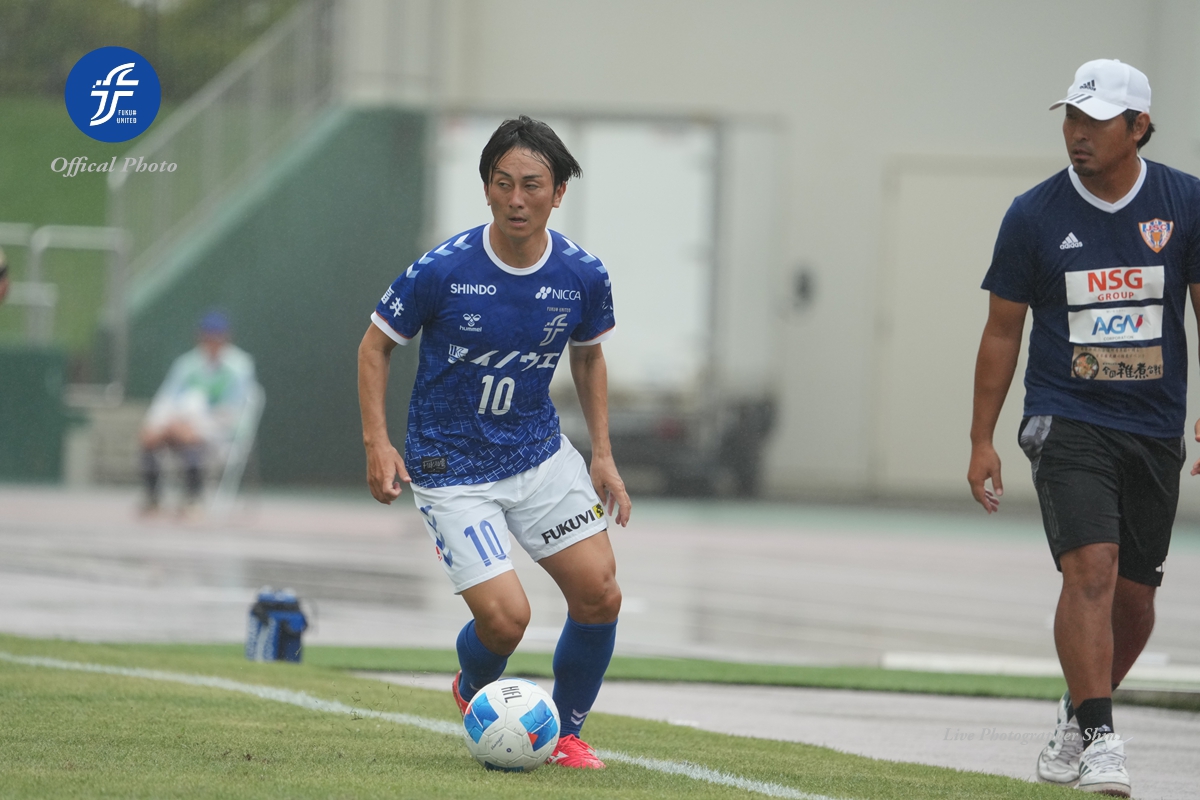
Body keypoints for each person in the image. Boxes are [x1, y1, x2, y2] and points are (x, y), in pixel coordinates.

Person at [357, 116, 631, 769]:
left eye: (531, 185)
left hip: (538, 454)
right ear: (485, 188)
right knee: (507, 620)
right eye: (502, 183)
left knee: (600, 593)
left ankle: (564, 734)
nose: (516, 199)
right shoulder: (443, 270)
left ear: (558, 192)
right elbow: (374, 347)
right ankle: (473, 687)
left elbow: (589, 355)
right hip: (451, 467)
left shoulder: (582, 275)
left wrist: (602, 455)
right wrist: (378, 443)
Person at [968, 59, 1200, 797]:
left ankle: (1077, 712)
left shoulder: (1186, 202)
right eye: (1071, 117)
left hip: (1154, 427)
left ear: (1138, 126)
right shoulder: (1032, 215)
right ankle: (1102, 740)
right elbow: (1001, 331)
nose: (1077, 134)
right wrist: (981, 439)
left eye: (1095, 121)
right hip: (1066, 417)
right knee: (1090, 569)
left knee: (1135, 600)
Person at [140, 310, 256, 514]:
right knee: (150, 436)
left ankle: (193, 499)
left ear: (226, 337)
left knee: (190, 437)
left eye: (217, 336)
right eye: (208, 336)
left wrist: (196, 424)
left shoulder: (240, 366)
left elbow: (234, 411)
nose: (212, 342)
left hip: (223, 431)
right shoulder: (186, 365)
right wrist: (164, 424)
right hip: (181, 424)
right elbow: (167, 399)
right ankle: (153, 500)